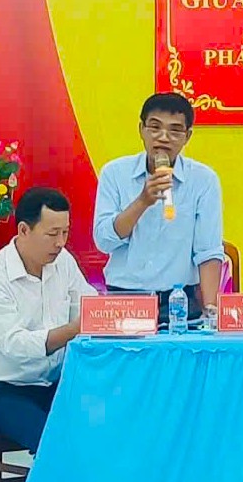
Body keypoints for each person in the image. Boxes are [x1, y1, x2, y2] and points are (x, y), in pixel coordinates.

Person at [0, 187, 97, 452]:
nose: (60, 243)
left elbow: (87, 305)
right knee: (54, 442)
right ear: (23, 230)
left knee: (106, 420)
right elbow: (15, 345)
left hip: (52, 385)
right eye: (52, 234)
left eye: (65, 232)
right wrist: (74, 329)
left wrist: (108, 317)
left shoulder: (63, 262)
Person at [93, 92, 224, 321]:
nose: (163, 137)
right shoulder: (114, 173)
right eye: (155, 127)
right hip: (125, 299)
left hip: (180, 301)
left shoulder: (203, 180)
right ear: (141, 130)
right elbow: (104, 241)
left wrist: (211, 310)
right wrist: (143, 201)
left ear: (187, 136)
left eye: (175, 130)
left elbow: (208, 251)